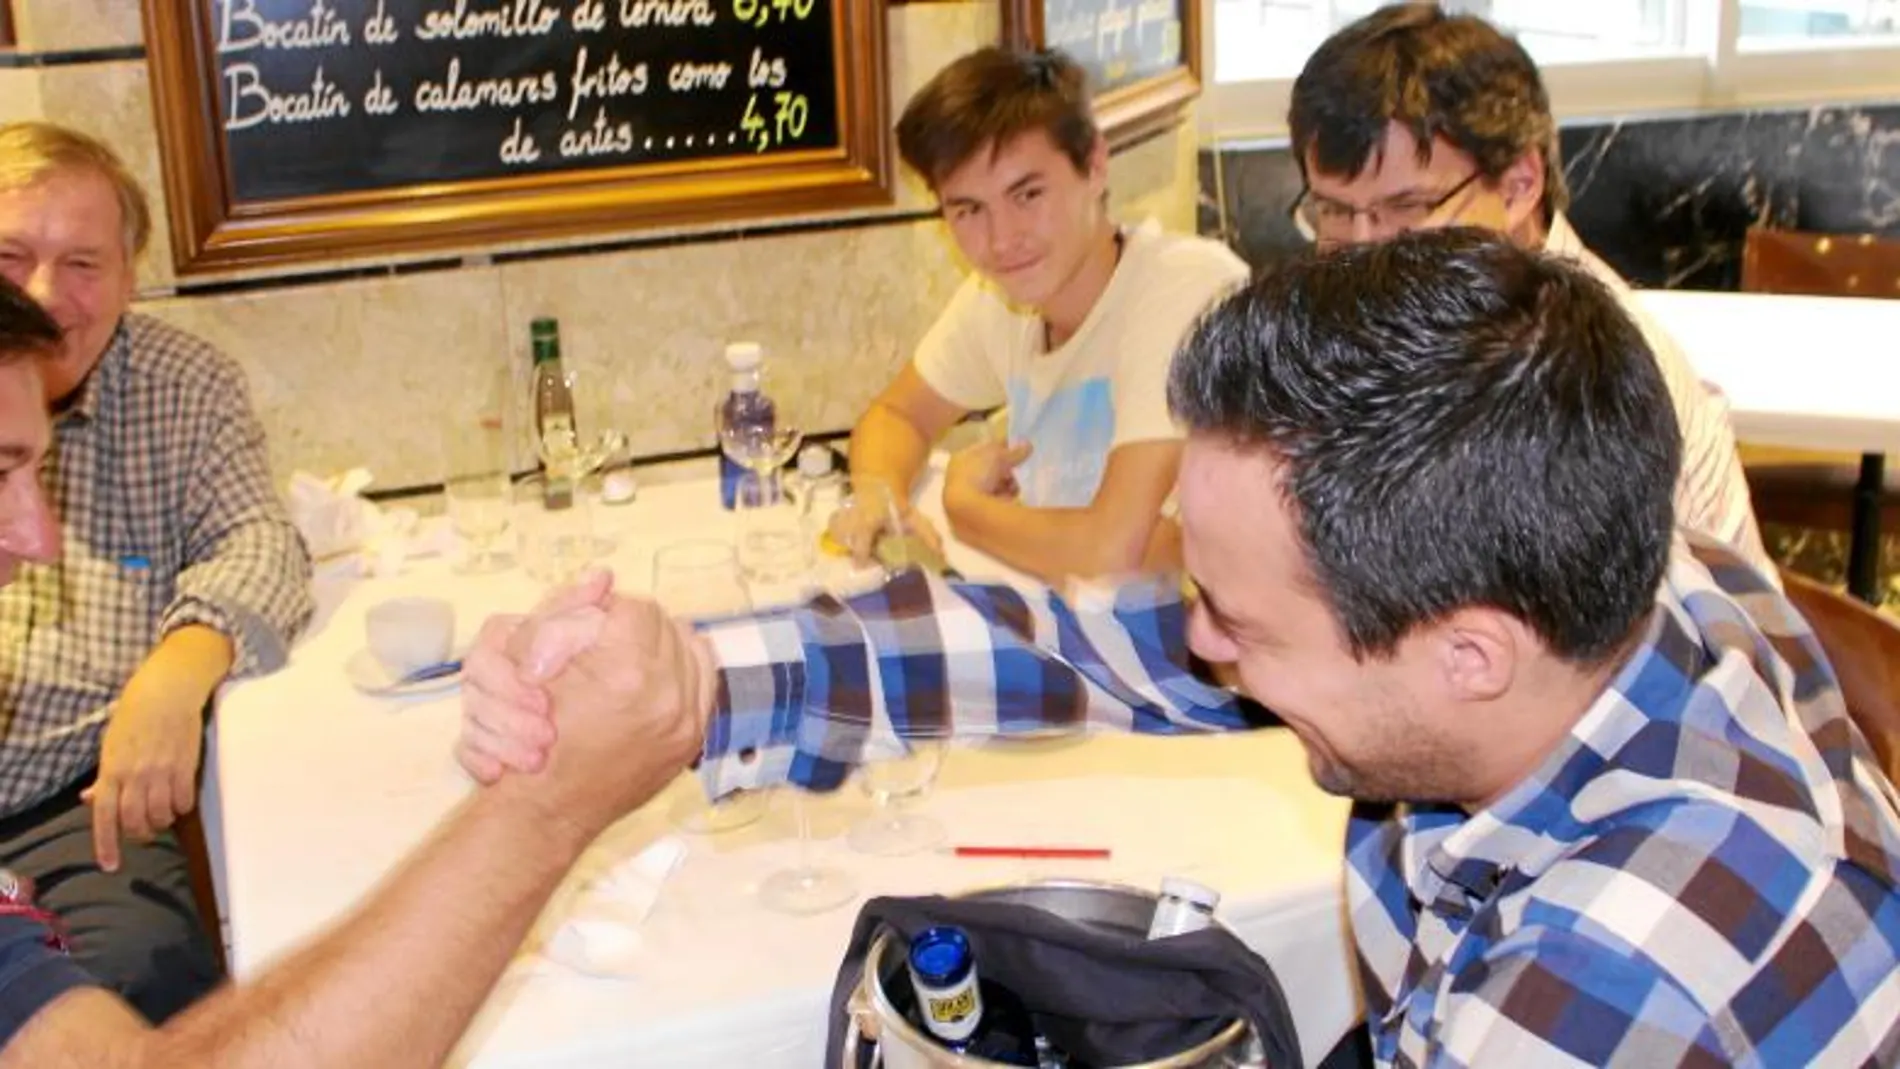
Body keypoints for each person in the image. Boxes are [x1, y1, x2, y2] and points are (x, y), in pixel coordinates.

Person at [464, 230, 1900, 1066]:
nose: (1194, 644)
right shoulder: (1594, 559)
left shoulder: (1616, 976)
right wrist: (698, 684)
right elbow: (1072, 638)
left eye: (1242, 622)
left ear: (1466, 654)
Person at [0, 271, 716, 1066]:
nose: (40, 540)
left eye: (37, 472)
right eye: (0, 473)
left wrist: (655, 677)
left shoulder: (184, 376)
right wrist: (546, 808)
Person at [1283, 2, 1774, 576]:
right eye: (1334, 211)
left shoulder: (1593, 368)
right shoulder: (1440, 311)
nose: (1364, 249)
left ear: (1519, 185)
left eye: (1407, 207)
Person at [0, 121, 314, 1019]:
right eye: (10, 255)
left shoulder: (181, 385)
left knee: (155, 980)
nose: (43, 293)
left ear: (132, 277)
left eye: (84, 264)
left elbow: (260, 540)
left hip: (74, 798)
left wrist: (174, 674)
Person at [845, 46, 1248, 585]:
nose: (1002, 239)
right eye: (968, 210)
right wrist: (878, 495)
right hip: (1060, 639)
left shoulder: (1187, 288)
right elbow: (898, 416)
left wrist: (968, 508)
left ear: (1096, 165)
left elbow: (1112, 555)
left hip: (1180, 659)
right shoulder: (998, 300)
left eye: (1028, 194)